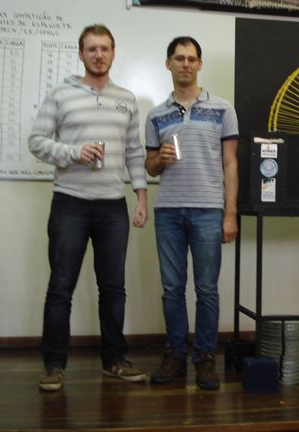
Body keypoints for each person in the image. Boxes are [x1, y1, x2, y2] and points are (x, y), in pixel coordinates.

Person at [28, 24, 148, 392]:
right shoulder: (60, 95)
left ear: (113, 53)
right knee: (60, 287)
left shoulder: (126, 98)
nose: (98, 55)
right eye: (92, 49)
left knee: (113, 288)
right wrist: (72, 152)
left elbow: (134, 152)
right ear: (80, 54)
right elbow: (36, 141)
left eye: (104, 48)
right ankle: (54, 365)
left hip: (113, 207)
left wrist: (141, 196)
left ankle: (114, 360)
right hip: (70, 204)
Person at [144, 36, 239, 390]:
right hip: (168, 211)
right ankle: (175, 355)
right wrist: (159, 158)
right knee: (172, 288)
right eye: (179, 58)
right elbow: (150, 167)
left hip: (208, 210)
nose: (185, 64)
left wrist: (230, 214)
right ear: (168, 64)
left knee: (206, 289)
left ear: (199, 64)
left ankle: (205, 357)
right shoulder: (156, 115)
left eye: (191, 58)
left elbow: (231, 164)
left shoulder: (223, 109)